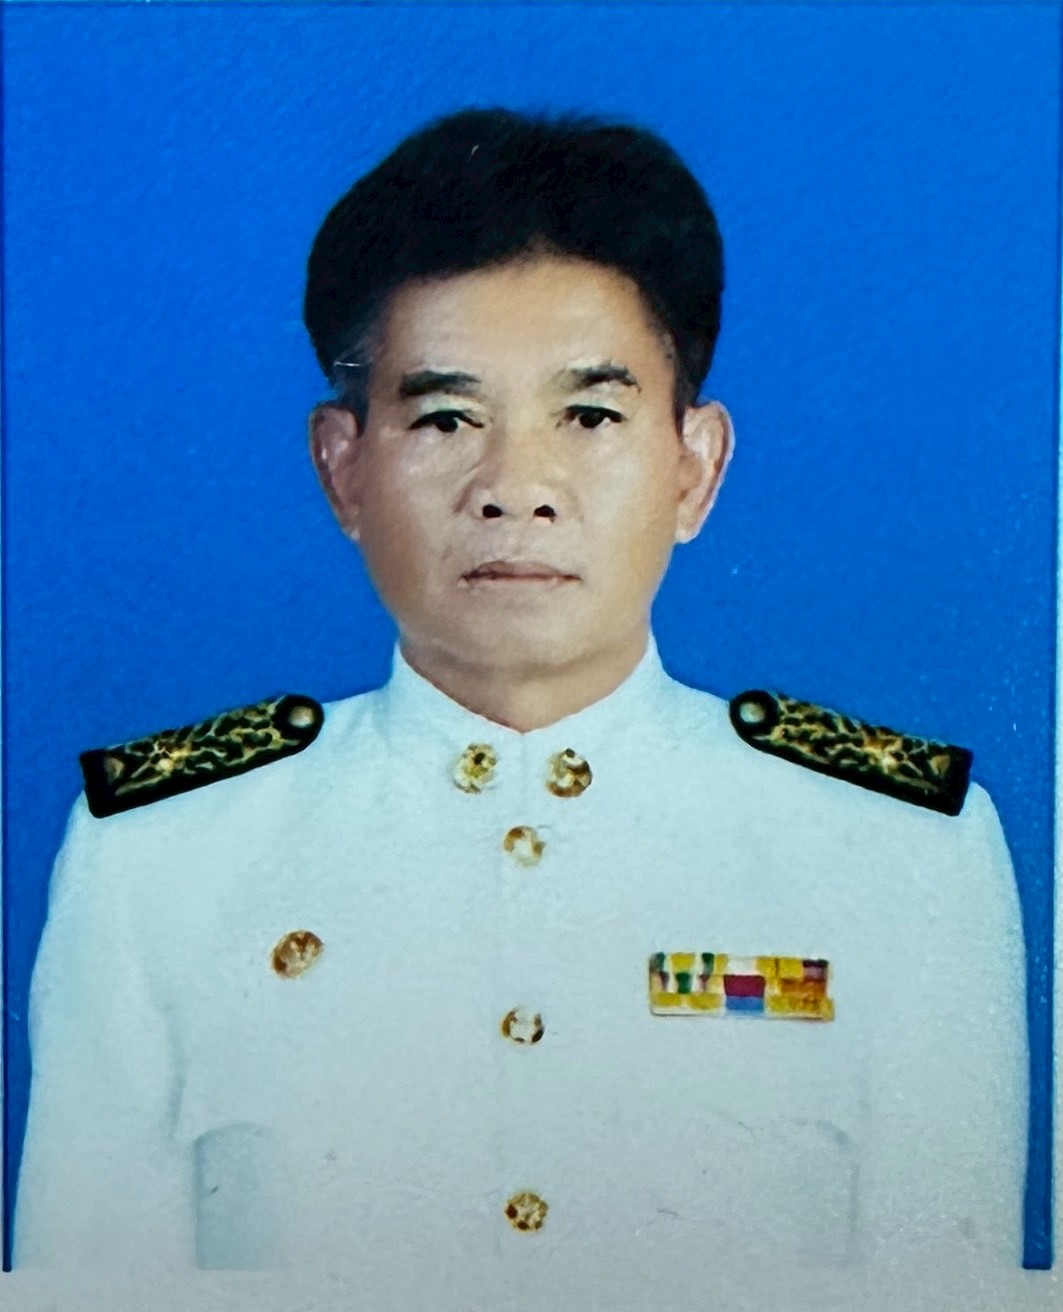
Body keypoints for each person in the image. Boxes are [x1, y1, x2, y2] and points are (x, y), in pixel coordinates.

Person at [14, 108, 1027, 1307]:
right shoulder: (159, 857)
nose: (514, 489)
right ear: (342, 468)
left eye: (589, 416)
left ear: (694, 466)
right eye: (446, 419)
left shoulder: (902, 856)